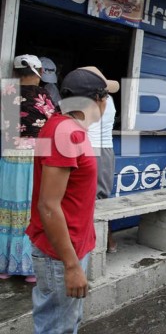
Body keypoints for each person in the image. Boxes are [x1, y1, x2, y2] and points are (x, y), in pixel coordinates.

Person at [25, 66, 119, 333]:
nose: (107, 103)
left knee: (67, 321)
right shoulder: (65, 133)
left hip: (73, 245)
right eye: (105, 97)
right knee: (58, 326)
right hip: (60, 253)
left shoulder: (67, 127)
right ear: (96, 100)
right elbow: (48, 205)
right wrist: (71, 265)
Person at [0, 55, 57, 283]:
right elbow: (54, 123)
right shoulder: (43, 95)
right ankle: (27, 266)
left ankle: (5, 265)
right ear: (38, 71)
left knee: (8, 209)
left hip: (8, 158)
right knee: (31, 209)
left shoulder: (5, 93)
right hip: (33, 159)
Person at [87, 87, 118, 253]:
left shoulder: (91, 99)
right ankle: (107, 240)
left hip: (91, 148)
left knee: (94, 199)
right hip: (104, 149)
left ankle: (104, 240)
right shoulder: (108, 99)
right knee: (101, 197)